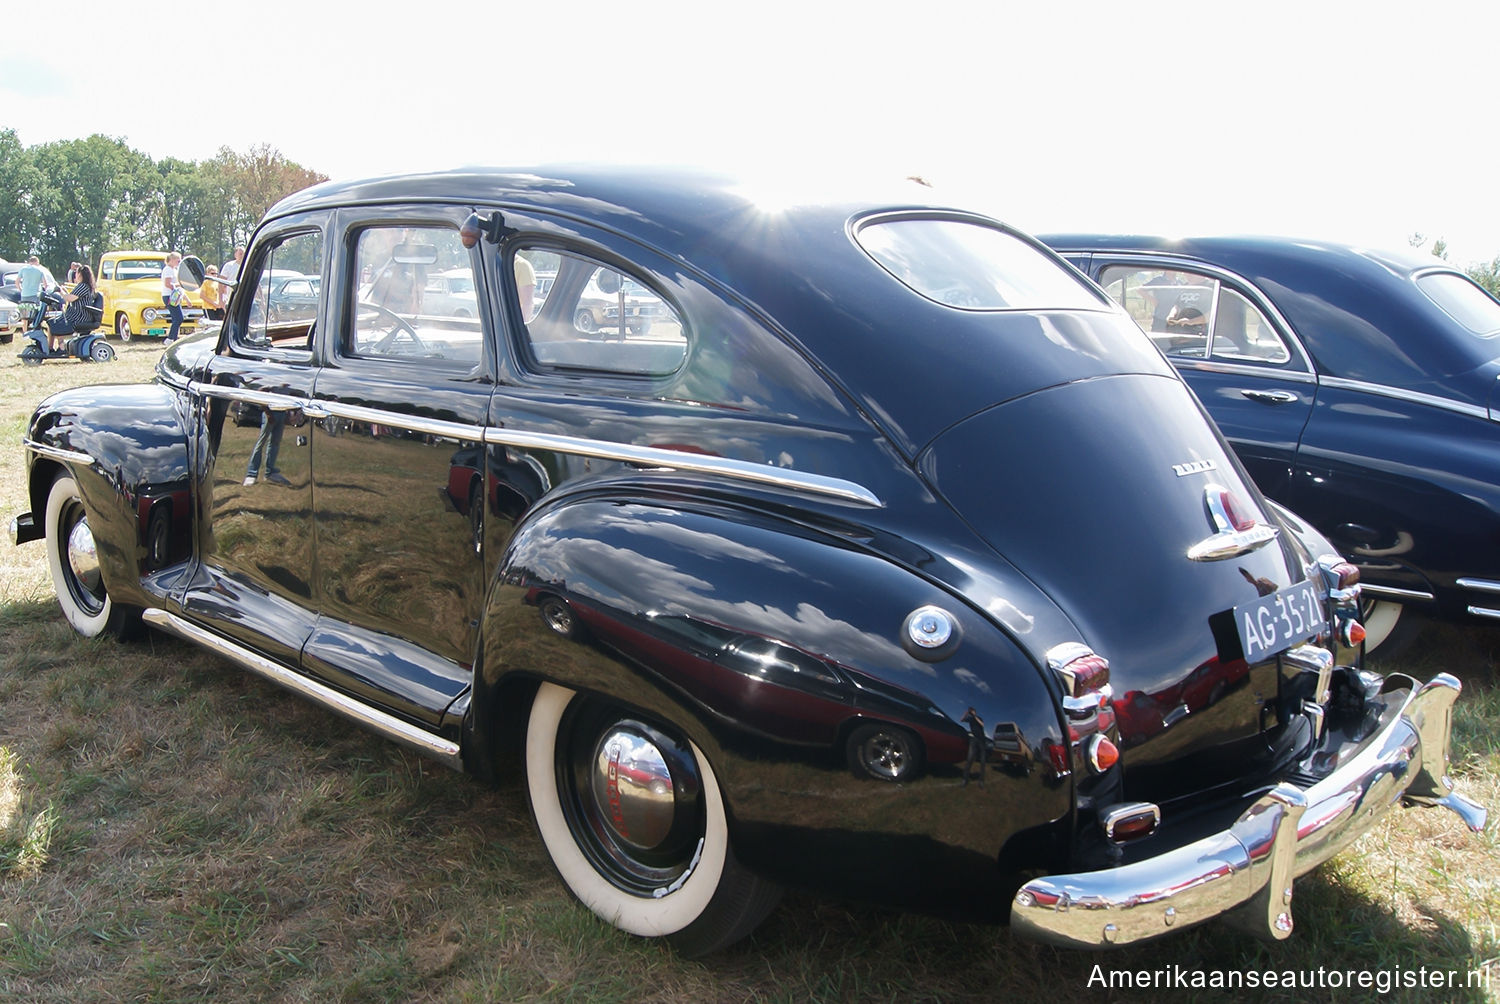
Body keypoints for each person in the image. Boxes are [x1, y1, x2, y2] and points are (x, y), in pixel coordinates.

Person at [49, 264, 97, 353]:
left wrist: (60, 292)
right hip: (78, 315)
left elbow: (69, 298)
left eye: (76, 273)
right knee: (53, 322)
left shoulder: (83, 286)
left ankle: (61, 348)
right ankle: (51, 349)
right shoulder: (85, 286)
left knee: (55, 324)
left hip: (78, 317)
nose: (75, 275)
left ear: (80, 274)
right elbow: (72, 297)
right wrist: (64, 291)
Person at [244, 407, 289, 486]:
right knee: (261, 443)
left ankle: (270, 472)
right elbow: (263, 396)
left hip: (282, 412)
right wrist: (268, 413)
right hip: (270, 412)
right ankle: (251, 474)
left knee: (275, 443)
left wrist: (286, 413)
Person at [15, 255, 51, 326]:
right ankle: (35, 326)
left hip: (25, 294)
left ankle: (24, 331)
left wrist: (21, 289)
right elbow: (45, 284)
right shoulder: (40, 270)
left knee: (24, 313)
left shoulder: (23, 269)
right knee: (36, 312)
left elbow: (17, 282)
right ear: (36, 262)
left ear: (29, 262)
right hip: (35, 294)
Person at [160, 251, 185, 343]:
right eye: (177, 259)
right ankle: (170, 338)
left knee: (177, 317)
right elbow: (167, 284)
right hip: (170, 296)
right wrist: (179, 285)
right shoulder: (168, 270)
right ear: (171, 260)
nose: (179, 261)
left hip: (174, 296)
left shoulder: (174, 270)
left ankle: (173, 338)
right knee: (178, 317)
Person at [961, 706, 985, 787]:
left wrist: (975, 716)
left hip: (982, 740)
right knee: (969, 759)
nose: (971, 712)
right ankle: (965, 779)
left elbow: (982, 724)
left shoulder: (979, 718)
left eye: (972, 711)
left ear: (975, 711)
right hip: (973, 739)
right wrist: (966, 714)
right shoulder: (970, 718)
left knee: (982, 761)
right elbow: (962, 720)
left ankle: (981, 781)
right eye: (971, 711)